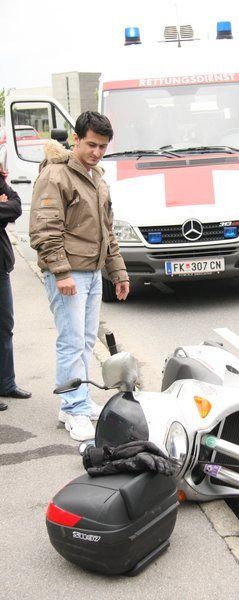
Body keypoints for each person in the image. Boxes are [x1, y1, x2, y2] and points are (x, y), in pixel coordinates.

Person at [29, 111, 130, 441]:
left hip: (92, 272)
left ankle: (77, 401)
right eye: (91, 145)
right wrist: (61, 273)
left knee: (85, 341)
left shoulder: (95, 175)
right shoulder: (56, 175)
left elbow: (107, 230)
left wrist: (118, 271)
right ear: (76, 139)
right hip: (69, 273)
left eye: (103, 146)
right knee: (71, 343)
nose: (97, 152)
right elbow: (44, 229)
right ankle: (74, 409)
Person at [0, 172, 32, 410]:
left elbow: (16, 205)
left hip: (1, 268)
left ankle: (6, 383)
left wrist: (5, 205)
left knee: (5, 327)